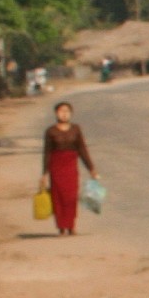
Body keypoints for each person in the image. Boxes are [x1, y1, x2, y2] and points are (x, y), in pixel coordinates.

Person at [40, 101, 97, 237]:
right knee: (58, 197)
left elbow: (82, 149)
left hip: (71, 167)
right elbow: (47, 152)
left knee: (71, 197)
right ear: (56, 113)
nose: (64, 114)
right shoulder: (51, 131)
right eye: (61, 111)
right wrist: (44, 173)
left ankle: (71, 226)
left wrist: (91, 168)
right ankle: (61, 227)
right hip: (56, 167)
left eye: (67, 111)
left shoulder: (76, 129)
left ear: (71, 114)